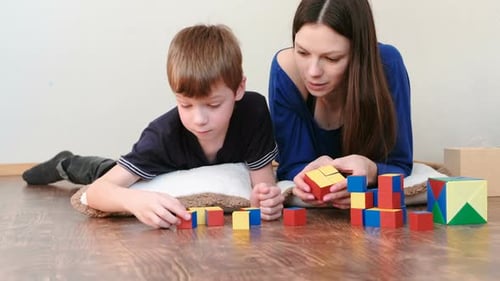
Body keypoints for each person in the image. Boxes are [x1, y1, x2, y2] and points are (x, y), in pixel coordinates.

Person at [23, 24, 284, 228]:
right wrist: (134, 200)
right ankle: (67, 162)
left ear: (239, 88)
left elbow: (262, 186)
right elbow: (97, 192)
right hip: (147, 174)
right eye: (186, 105)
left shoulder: (254, 110)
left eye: (213, 105)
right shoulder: (162, 135)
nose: (199, 119)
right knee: (102, 171)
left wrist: (265, 200)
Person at [268, 0, 413, 209]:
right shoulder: (286, 72)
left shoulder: (387, 66)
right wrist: (306, 172)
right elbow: (290, 166)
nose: (313, 71)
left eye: (331, 58)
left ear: (358, 54)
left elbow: (400, 163)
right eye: (302, 52)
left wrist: (371, 170)